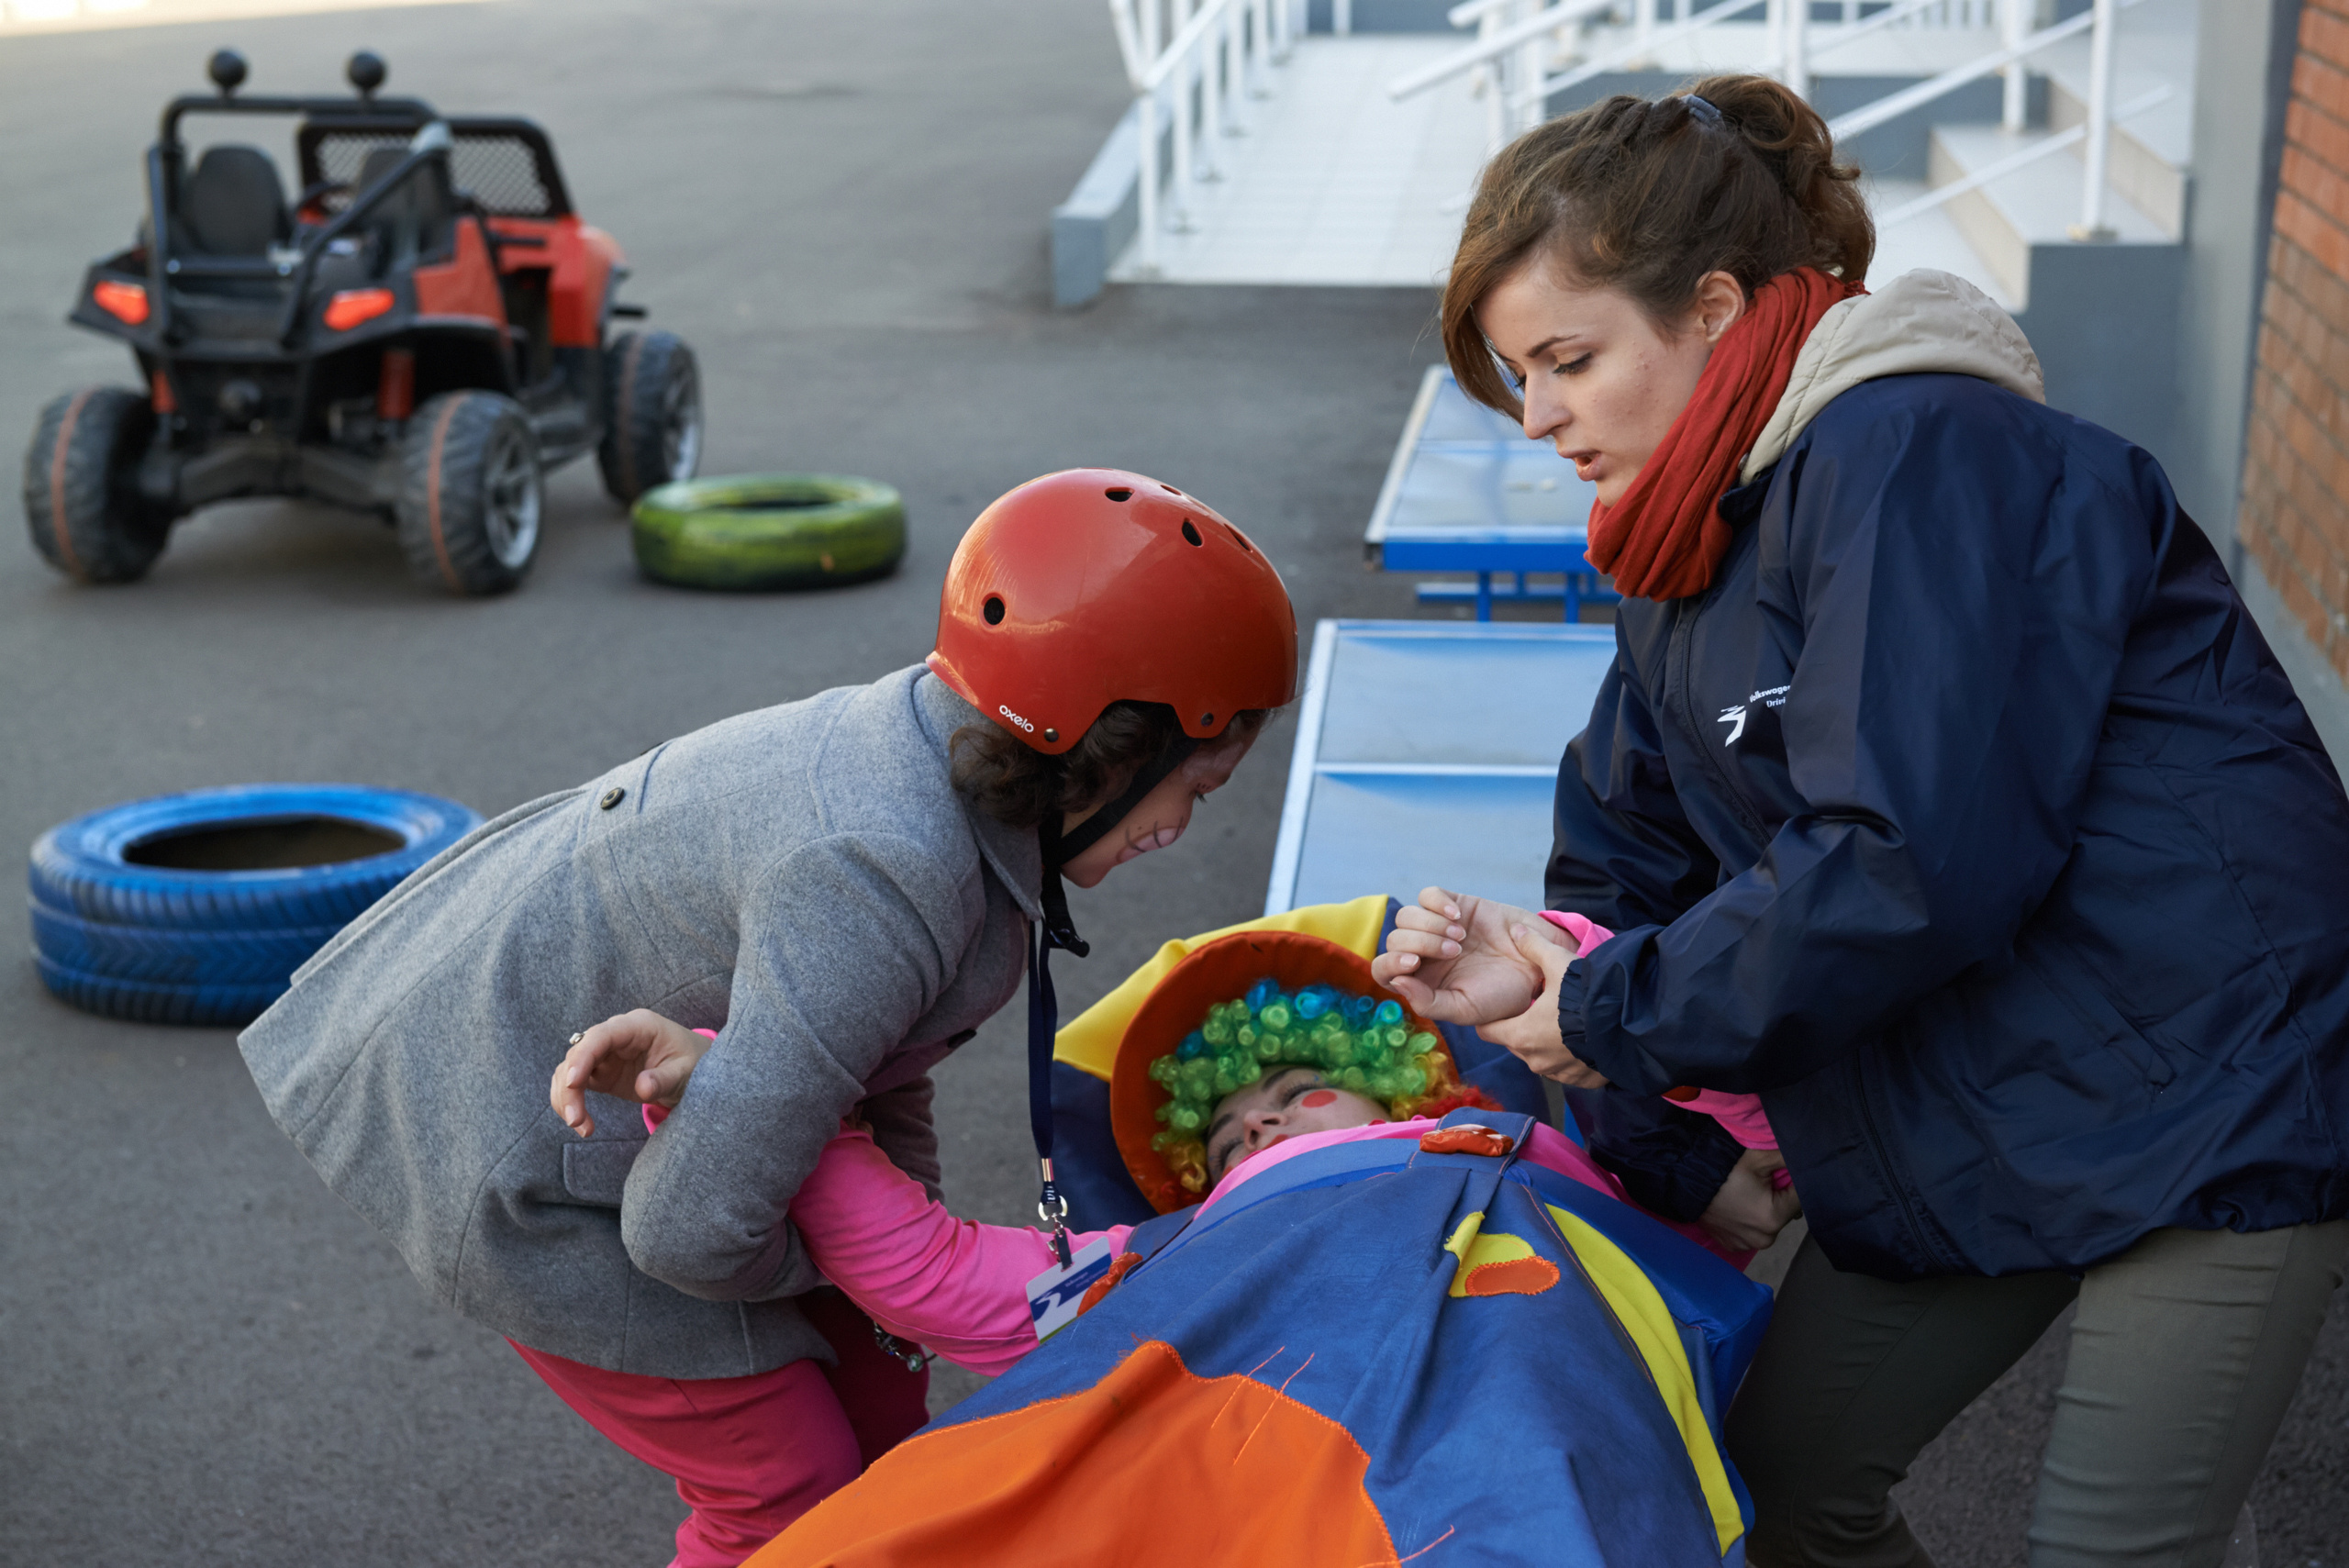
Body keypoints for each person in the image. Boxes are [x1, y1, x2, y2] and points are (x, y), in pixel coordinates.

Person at [1372, 73, 2349, 1568]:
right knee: (1770, 1491)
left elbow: (1914, 854)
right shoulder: (1685, 546)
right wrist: (1569, 1000)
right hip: (1982, 1089)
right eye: (1520, 377)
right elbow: (1625, 864)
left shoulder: (1920, 447)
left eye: (1569, 359)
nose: (1540, 417)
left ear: (1713, 308)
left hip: (2208, 1074)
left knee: (2112, 1546)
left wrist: (1616, 1009)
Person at [236, 467, 1297, 1567]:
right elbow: (689, 1231)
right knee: (784, 1489)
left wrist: (892, 1243)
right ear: (1106, 749)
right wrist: (871, 1254)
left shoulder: (963, 774)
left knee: (885, 1416)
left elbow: (876, 1062)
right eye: (1196, 787)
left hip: (668, 1121)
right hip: (510, 1126)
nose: (1181, 826)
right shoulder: (883, 872)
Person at [559, 932, 1775, 1565]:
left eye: (1294, 1092)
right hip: (1234, 1422)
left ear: (1394, 1089)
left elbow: (1751, 1134)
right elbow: (937, 1277)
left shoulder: (1547, 1155)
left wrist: (1624, 1045)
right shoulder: (1168, 1245)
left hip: (1514, 1374)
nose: (1258, 1125)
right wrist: (736, 1083)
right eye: (1228, 1133)